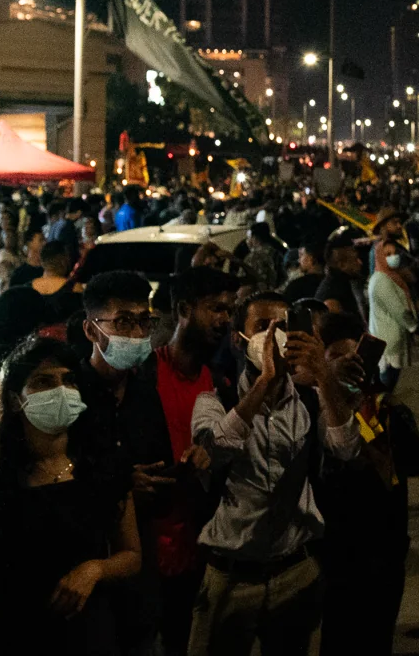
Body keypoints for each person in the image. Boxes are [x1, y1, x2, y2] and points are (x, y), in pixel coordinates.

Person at [186, 290, 362, 656]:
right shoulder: (213, 399)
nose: (273, 335)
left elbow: (345, 447)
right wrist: (265, 381)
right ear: (239, 338)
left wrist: (323, 375)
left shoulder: (310, 401)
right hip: (230, 576)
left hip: (294, 571)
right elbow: (213, 452)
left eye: (281, 326)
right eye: (262, 326)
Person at [0, 335, 141, 656]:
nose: (61, 391)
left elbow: (131, 555)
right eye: (43, 382)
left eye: (68, 380)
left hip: (90, 639)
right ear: (13, 399)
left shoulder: (104, 469)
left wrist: (94, 569)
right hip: (12, 639)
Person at [74, 270, 175, 656]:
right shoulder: (71, 397)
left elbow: (161, 474)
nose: (136, 333)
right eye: (123, 322)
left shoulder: (144, 395)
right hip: (84, 578)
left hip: (139, 584)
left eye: (143, 321)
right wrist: (119, 483)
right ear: (91, 330)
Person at [312, 310, 419, 656]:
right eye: (335, 358)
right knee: (338, 637)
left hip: (385, 549)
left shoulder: (385, 406)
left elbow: (417, 461)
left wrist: (376, 411)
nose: (346, 364)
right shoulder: (313, 411)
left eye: (352, 357)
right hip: (337, 555)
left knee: (378, 638)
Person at [153, 267, 239, 655]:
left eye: (229, 310)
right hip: (150, 553)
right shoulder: (144, 374)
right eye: (214, 309)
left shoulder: (220, 383)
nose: (224, 319)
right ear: (184, 308)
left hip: (201, 552)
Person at [0, 239, 82, 351]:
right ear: (64, 261)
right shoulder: (75, 289)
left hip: (26, 349)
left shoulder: (24, 291)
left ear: (42, 262)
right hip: (64, 349)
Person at [366, 236, 418, 390]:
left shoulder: (390, 277)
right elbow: (398, 310)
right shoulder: (381, 280)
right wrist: (414, 327)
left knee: (390, 383)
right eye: (387, 254)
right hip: (389, 341)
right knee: (387, 383)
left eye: (394, 253)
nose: (393, 257)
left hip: (389, 338)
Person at [315, 236, 368, 321]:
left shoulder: (345, 283)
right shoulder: (332, 292)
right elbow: (339, 328)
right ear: (342, 265)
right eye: (355, 259)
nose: (360, 263)